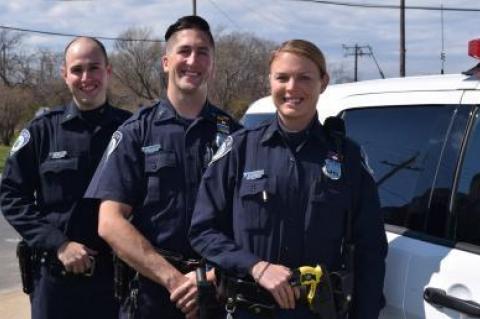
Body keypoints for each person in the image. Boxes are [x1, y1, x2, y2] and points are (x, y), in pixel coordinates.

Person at [189, 39, 387, 319]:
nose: (292, 88)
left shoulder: (348, 158)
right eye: (282, 77)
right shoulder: (240, 149)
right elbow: (203, 230)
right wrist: (255, 266)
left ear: (323, 82)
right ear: (270, 82)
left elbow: (371, 250)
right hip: (247, 310)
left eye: (304, 77)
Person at [84, 15, 241, 319]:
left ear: (212, 65)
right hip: (152, 296)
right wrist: (176, 281)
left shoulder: (235, 136)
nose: (192, 60)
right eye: (184, 51)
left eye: (202, 52)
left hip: (218, 294)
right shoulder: (136, 132)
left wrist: (207, 280)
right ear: (166, 61)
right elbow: (109, 222)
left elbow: (249, 223)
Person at [0, 37, 132, 319]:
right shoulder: (41, 132)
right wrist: (57, 242)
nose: (86, 78)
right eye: (77, 69)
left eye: (94, 68)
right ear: (64, 75)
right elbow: (10, 195)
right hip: (55, 280)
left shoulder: (131, 130)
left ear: (108, 72)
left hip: (117, 282)